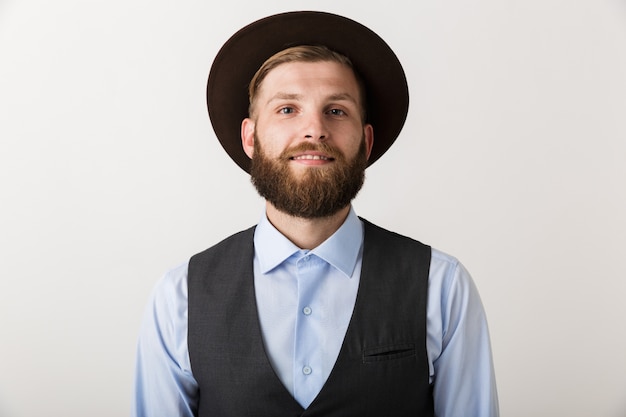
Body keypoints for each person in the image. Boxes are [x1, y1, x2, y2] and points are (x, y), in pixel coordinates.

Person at [132, 11, 499, 417]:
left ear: (366, 141)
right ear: (250, 138)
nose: (315, 130)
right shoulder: (179, 298)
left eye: (336, 111)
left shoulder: (442, 288)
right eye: (287, 109)